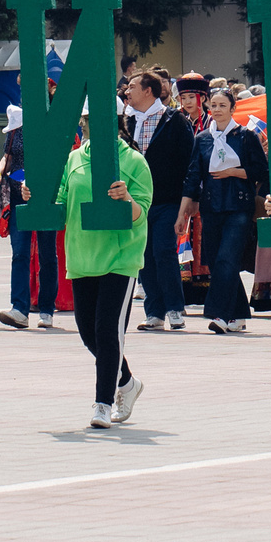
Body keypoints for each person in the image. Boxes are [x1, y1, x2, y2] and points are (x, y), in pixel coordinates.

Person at [57, 112, 153, 430]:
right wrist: (36, 197)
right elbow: (60, 200)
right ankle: (126, 381)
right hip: (83, 257)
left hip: (120, 258)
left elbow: (142, 210)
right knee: (88, 333)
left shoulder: (134, 161)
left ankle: (103, 403)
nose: (90, 124)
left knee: (108, 331)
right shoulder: (73, 159)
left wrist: (127, 199)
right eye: (86, 120)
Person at [184, 85, 269, 335]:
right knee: (220, 261)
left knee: (226, 258)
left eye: (223, 105)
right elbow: (192, 176)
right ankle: (239, 314)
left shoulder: (245, 136)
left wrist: (233, 172)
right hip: (211, 207)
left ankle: (219, 313)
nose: (218, 110)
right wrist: (183, 211)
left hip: (239, 206)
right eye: (214, 105)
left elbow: (262, 171)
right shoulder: (202, 138)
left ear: (233, 108)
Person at [124, 70, 196, 332]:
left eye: (132, 86)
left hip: (167, 199)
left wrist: (188, 201)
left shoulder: (173, 120)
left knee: (164, 251)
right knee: (144, 256)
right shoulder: (126, 121)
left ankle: (175, 308)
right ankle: (154, 311)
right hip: (136, 201)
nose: (127, 91)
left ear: (148, 91)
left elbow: (190, 161)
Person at [0, 103, 62, 329]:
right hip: (17, 198)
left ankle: (46, 310)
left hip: (45, 198)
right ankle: (19, 308)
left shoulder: (52, 127)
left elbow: (57, 162)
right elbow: (7, 157)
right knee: (20, 253)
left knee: (47, 255)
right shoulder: (16, 127)